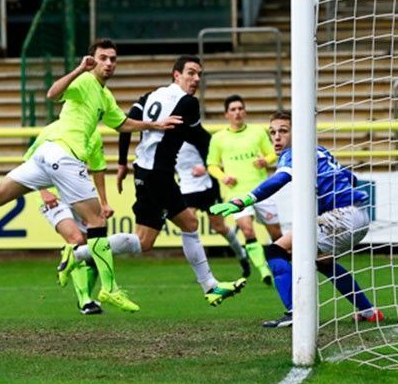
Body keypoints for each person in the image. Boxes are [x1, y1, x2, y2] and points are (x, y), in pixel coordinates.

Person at [0, 38, 180, 312]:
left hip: (46, 155)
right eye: (103, 58)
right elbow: (53, 93)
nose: (109, 63)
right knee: (97, 220)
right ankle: (109, 289)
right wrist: (78, 69)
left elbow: (122, 123)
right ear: (92, 59)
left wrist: (154, 125)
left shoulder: (104, 95)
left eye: (113, 59)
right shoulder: (85, 81)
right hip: (63, 156)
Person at [211, 111, 384, 328]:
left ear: (298, 133)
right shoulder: (320, 151)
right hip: (360, 215)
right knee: (322, 262)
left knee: (275, 252)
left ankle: (295, 312)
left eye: (283, 131)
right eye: (272, 132)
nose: (276, 137)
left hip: (342, 217)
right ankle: (369, 311)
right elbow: (352, 178)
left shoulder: (294, 153)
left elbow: (279, 180)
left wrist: (243, 201)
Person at [117, 55, 245, 307]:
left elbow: (125, 125)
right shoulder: (188, 103)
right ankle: (210, 286)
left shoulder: (149, 96)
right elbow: (197, 136)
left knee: (144, 241)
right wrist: (217, 157)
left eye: (199, 74)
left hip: (142, 170)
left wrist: (122, 162)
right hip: (159, 174)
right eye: (191, 73)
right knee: (189, 222)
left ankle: (81, 252)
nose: (196, 78)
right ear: (176, 74)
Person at [30, 123, 140, 315]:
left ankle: (87, 300)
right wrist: (43, 190)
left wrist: (104, 202)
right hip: (54, 197)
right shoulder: (52, 130)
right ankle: (85, 301)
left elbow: (98, 169)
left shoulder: (93, 135)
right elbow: (32, 160)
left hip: (78, 194)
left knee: (95, 247)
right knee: (76, 240)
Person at [207, 95, 283, 285]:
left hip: (262, 191)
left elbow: (273, 151)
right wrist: (223, 177)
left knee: (277, 235)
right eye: (233, 109)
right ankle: (264, 270)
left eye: (240, 108)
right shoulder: (218, 138)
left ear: (245, 111)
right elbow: (211, 164)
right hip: (237, 193)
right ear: (226, 114)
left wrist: (266, 161)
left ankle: (284, 267)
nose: (237, 112)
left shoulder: (257, 132)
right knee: (248, 231)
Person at [176, 138, 250, 278]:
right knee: (189, 227)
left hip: (207, 188)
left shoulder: (197, 136)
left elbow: (214, 158)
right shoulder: (166, 138)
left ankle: (241, 255)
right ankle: (203, 272)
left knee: (219, 227)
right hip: (186, 189)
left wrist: (205, 167)